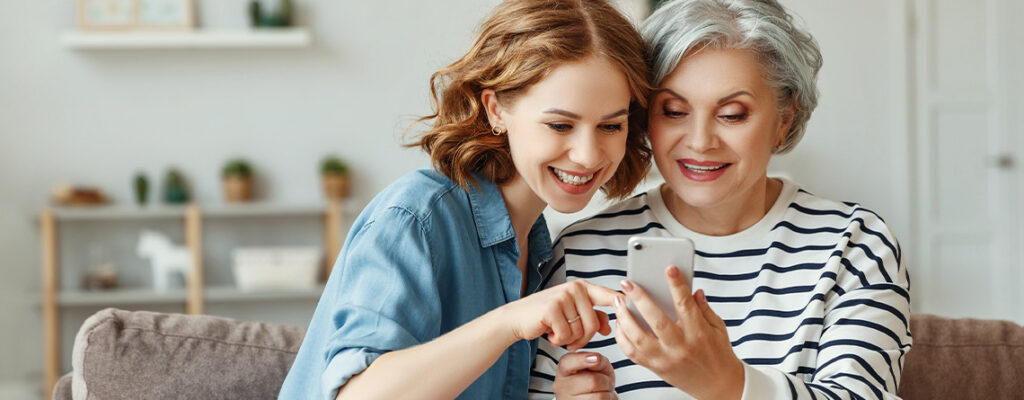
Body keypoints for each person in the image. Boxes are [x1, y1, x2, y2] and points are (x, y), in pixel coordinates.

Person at [528, 0, 912, 399]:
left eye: (731, 114)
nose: (699, 142)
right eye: (674, 111)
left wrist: (725, 383)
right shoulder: (580, 252)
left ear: (783, 119)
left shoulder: (855, 245)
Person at [278, 1, 653, 399]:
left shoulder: (540, 247)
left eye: (611, 125)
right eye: (560, 124)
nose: (589, 154)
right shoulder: (416, 217)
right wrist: (508, 322)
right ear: (495, 110)